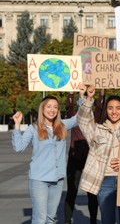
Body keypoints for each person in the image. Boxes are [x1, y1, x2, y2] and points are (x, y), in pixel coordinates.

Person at [77, 81, 120, 224]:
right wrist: (89, 98)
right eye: (110, 108)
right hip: (105, 181)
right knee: (107, 219)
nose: (114, 111)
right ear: (106, 110)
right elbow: (82, 120)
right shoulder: (97, 129)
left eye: (118, 108)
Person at [12, 95, 78, 224]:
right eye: (49, 106)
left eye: (55, 107)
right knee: (40, 219)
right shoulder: (34, 128)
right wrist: (17, 125)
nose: (52, 110)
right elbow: (18, 147)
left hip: (57, 180)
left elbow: (79, 118)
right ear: (42, 109)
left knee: (50, 218)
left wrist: (84, 97)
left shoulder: (63, 125)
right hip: (39, 180)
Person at [64, 86, 104, 224]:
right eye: (80, 101)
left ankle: (93, 220)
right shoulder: (73, 116)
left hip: (90, 158)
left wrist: (102, 88)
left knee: (92, 193)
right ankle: (67, 221)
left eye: (85, 100)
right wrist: (72, 90)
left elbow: (100, 105)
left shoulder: (94, 116)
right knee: (71, 192)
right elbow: (69, 106)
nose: (82, 104)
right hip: (74, 158)